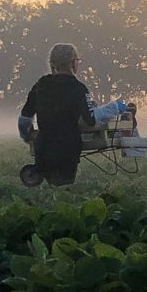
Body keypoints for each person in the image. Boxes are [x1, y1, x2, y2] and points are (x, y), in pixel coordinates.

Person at [19, 43, 96, 186]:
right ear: (73, 63)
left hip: (43, 148)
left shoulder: (41, 85)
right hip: (68, 149)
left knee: (49, 192)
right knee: (63, 190)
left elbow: (24, 118)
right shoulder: (79, 89)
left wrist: (27, 136)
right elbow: (90, 120)